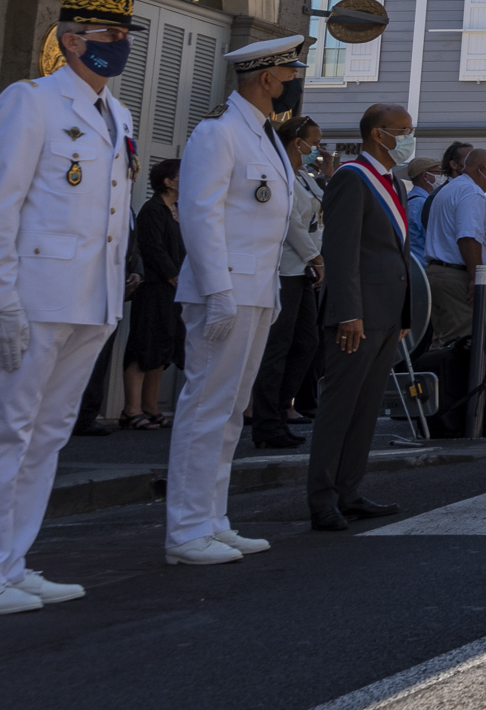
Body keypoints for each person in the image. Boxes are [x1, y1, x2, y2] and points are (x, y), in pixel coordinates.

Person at [0, 0, 142, 617]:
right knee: (5, 429)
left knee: (49, 435)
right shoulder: (29, 102)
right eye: (106, 37)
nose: (117, 48)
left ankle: (11, 560)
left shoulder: (120, 114)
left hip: (93, 296)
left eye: (122, 38)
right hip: (34, 294)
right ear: (70, 39)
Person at [161, 36, 303, 566]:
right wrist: (218, 290)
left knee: (231, 412)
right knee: (205, 408)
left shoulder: (263, 136)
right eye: (289, 73)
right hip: (224, 291)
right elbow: (201, 215)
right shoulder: (218, 133)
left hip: (256, 290)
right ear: (265, 79)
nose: (293, 81)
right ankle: (185, 529)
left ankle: (211, 519)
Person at [305, 104, 417, 531]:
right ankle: (322, 498)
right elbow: (341, 250)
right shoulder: (352, 178)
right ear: (376, 134)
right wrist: (347, 311)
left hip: (388, 312)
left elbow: (398, 253)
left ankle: (349, 490)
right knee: (339, 407)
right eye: (401, 130)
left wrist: (404, 312)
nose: (408, 137)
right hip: (357, 315)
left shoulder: (396, 184)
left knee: (367, 408)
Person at [247, 117, 325, 450]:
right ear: (297, 142)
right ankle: (267, 422)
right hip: (283, 270)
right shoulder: (277, 173)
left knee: (306, 342)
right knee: (277, 348)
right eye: (314, 143)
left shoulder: (303, 177)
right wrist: (315, 257)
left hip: (301, 271)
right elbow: (289, 222)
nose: (317, 150)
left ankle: (281, 410)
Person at [122, 159, 186, 430]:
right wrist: (173, 276)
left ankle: (151, 406)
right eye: (183, 176)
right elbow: (153, 249)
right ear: (168, 182)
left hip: (174, 289)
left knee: (163, 347)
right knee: (143, 346)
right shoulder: (153, 209)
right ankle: (131, 409)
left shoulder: (181, 209)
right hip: (155, 287)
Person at [423, 147, 486, 351]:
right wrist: (477, 277)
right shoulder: (471, 192)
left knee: (442, 341)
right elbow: (468, 237)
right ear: (482, 169)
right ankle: (450, 384)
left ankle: (439, 382)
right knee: (460, 343)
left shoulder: (450, 188)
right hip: (458, 277)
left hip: (439, 273)